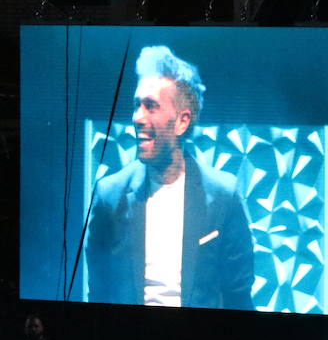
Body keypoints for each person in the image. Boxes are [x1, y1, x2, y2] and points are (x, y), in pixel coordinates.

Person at [85, 45, 254, 309]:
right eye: (136, 105)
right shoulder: (109, 196)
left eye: (151, 106)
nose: (137, 117)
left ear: (181, 122)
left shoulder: (223, 195)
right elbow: (97, 294)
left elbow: (239, 298)